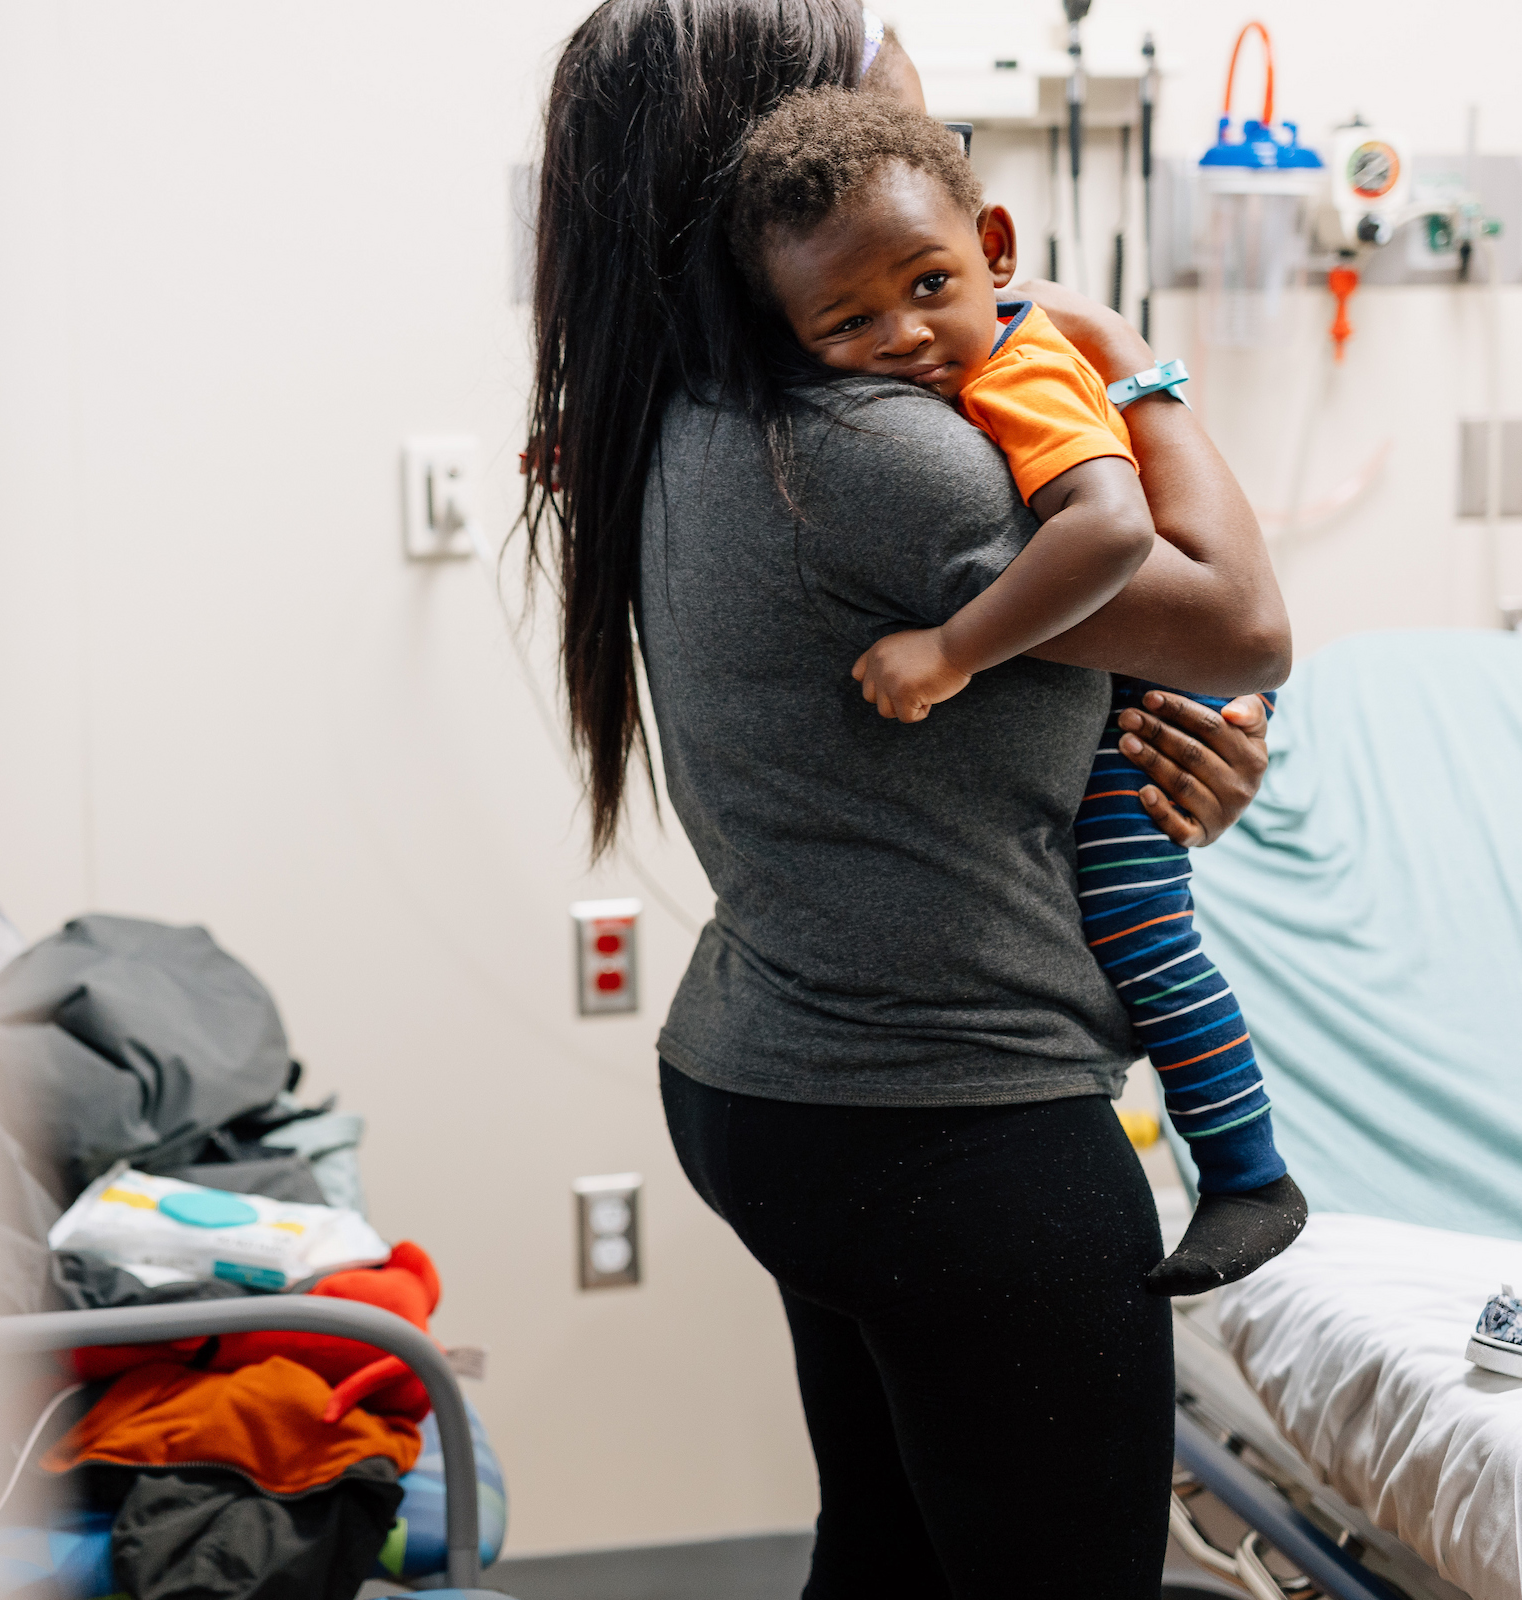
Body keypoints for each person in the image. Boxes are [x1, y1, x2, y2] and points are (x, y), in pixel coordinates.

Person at [521, 3, 1289, 1595]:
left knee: (887, 1558)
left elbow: (1054, 702)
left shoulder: (671, 410)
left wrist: (1153, 770)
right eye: (873, 53)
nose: (913, 73)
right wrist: (1110, 347)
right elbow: (1240, 619)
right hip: (954, 1121)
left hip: (782, 1078)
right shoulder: (874, 452)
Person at [723, 87, 1308, 1292]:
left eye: (929, 286)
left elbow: (1104, 530)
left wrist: (955, 650)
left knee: (1148, 937)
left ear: (993, 250)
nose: (901, 337)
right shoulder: (969, 356)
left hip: (1148, 704)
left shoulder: (1020, 368)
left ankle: (1248, 1173)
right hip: (1126, 692)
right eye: (846, 322)